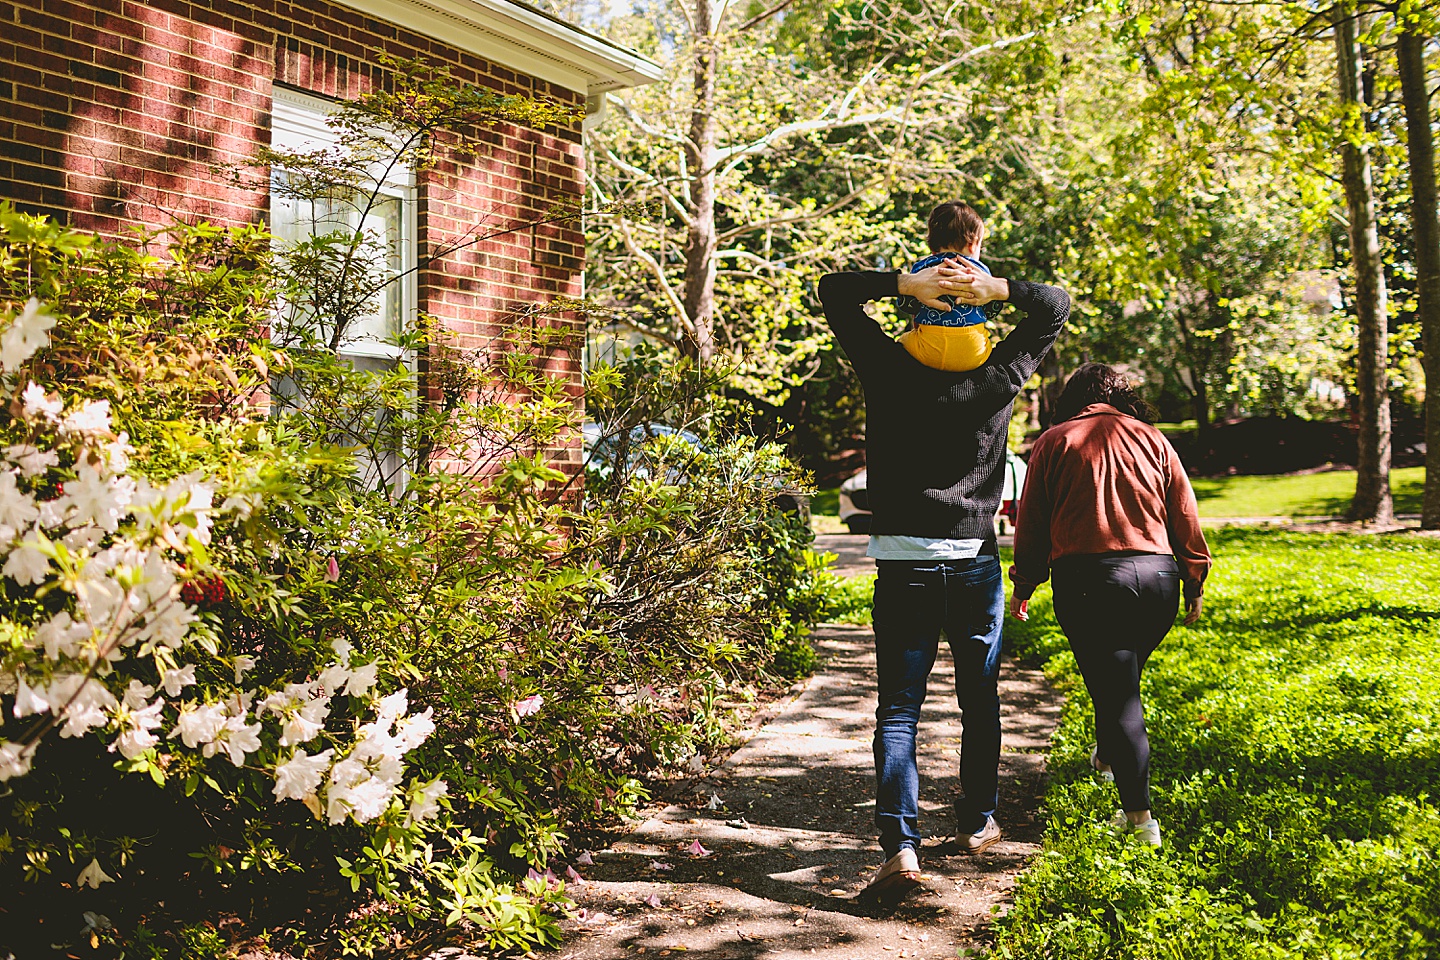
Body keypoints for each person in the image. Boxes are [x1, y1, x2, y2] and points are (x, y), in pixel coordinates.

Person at [818, 258, 1068, 900]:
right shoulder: (999, 374)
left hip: (903, 560)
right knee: (978, 697)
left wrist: (902, 283)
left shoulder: (887, 365)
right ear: (980, 320)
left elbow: (836, 293)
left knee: (899, 708)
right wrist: (1000, 288)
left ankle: (901, 848)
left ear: (916, 317)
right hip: (974, 559)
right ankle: (977, 822)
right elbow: (1055, 305)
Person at [1008, 363, 1212, 848]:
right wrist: (1194, 579)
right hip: (1158, 578)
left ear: (1073, 397)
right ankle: (1105, 756)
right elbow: (1183, 508)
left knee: (1120, 694)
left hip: (1091, 581)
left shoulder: (1055, 441)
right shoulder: (1154, 439)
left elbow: (1031, 520)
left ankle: (1140, 821)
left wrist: (1026, 583)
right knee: (1119, 677)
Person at [896, 202, 998, 373]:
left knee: (902, 342)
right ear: (973, 244)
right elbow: (993, 308)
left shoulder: (923, 269)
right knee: (987, 340)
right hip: (973, 352)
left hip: (927, 349)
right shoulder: (981, 272)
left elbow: (905, 304)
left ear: (932, 245)